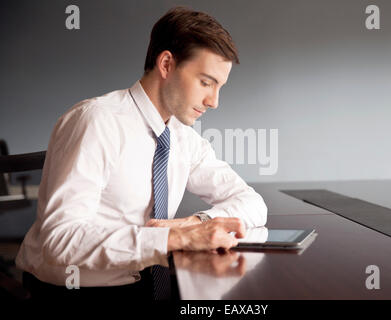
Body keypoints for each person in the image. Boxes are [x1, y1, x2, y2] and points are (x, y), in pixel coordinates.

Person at [15, 6, 267, 300]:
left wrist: (195, 223)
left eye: (219, 87)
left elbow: (252, 204)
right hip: (76, 289)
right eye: (206, 82)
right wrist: (172, 238)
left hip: (145, 282)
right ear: (166, 64)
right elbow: (60, 241)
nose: (214, 101)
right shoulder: (97, 121)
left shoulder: (183, 138)